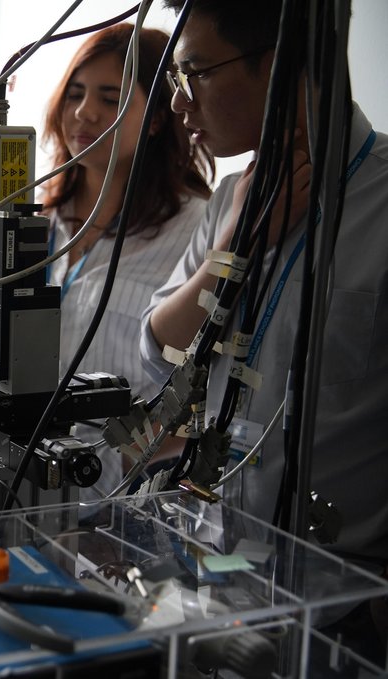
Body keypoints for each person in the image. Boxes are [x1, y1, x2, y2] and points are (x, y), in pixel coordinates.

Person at [139, 0, 387, 665]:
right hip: (223, 579)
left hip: (346, 615)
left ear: (278, 71)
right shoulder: (232, 199)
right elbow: (159, 348)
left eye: (193, 72)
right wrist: (236, 246)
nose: (177, 103)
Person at [39, 23, 213, 497]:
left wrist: (125, 466)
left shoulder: (195, 229)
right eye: (76, 93)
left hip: (122, 504)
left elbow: (205, 390)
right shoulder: (39, 218)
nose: (84, 113)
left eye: (111, 99)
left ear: (157, 118)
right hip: (21, 476)